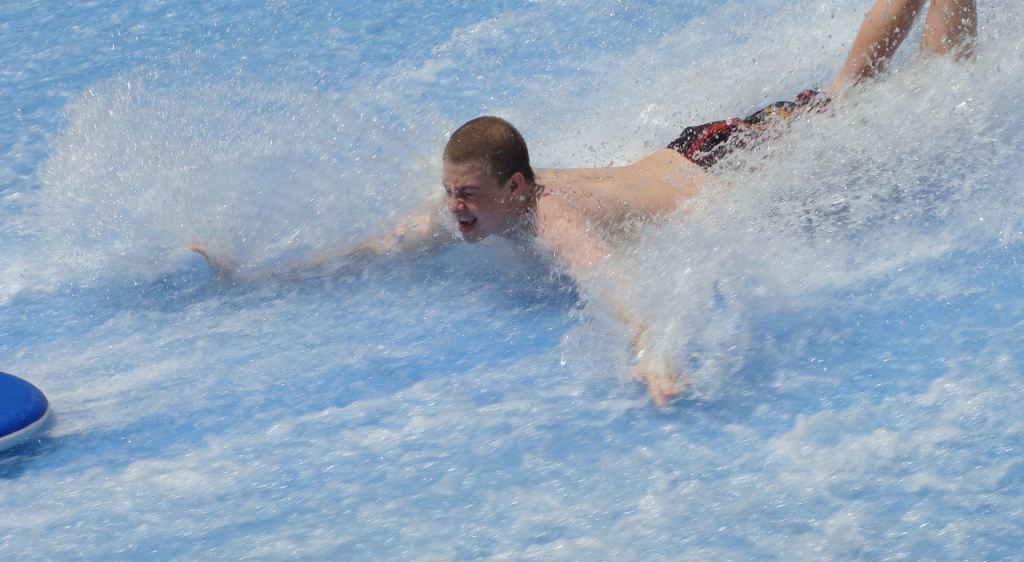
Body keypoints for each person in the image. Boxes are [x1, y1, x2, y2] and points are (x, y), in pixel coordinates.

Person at [193, 0, 977, 405]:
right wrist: (257, 278)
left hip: (734, 166)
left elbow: (614, 284)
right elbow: (373, 248)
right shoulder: (481, 200)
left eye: (467, 197)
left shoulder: (552, 216)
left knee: (927, 95)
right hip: (693, 148)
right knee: (847, 95)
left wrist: (652, 358)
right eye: (449, 196)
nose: (454, 211)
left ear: (515, 189)